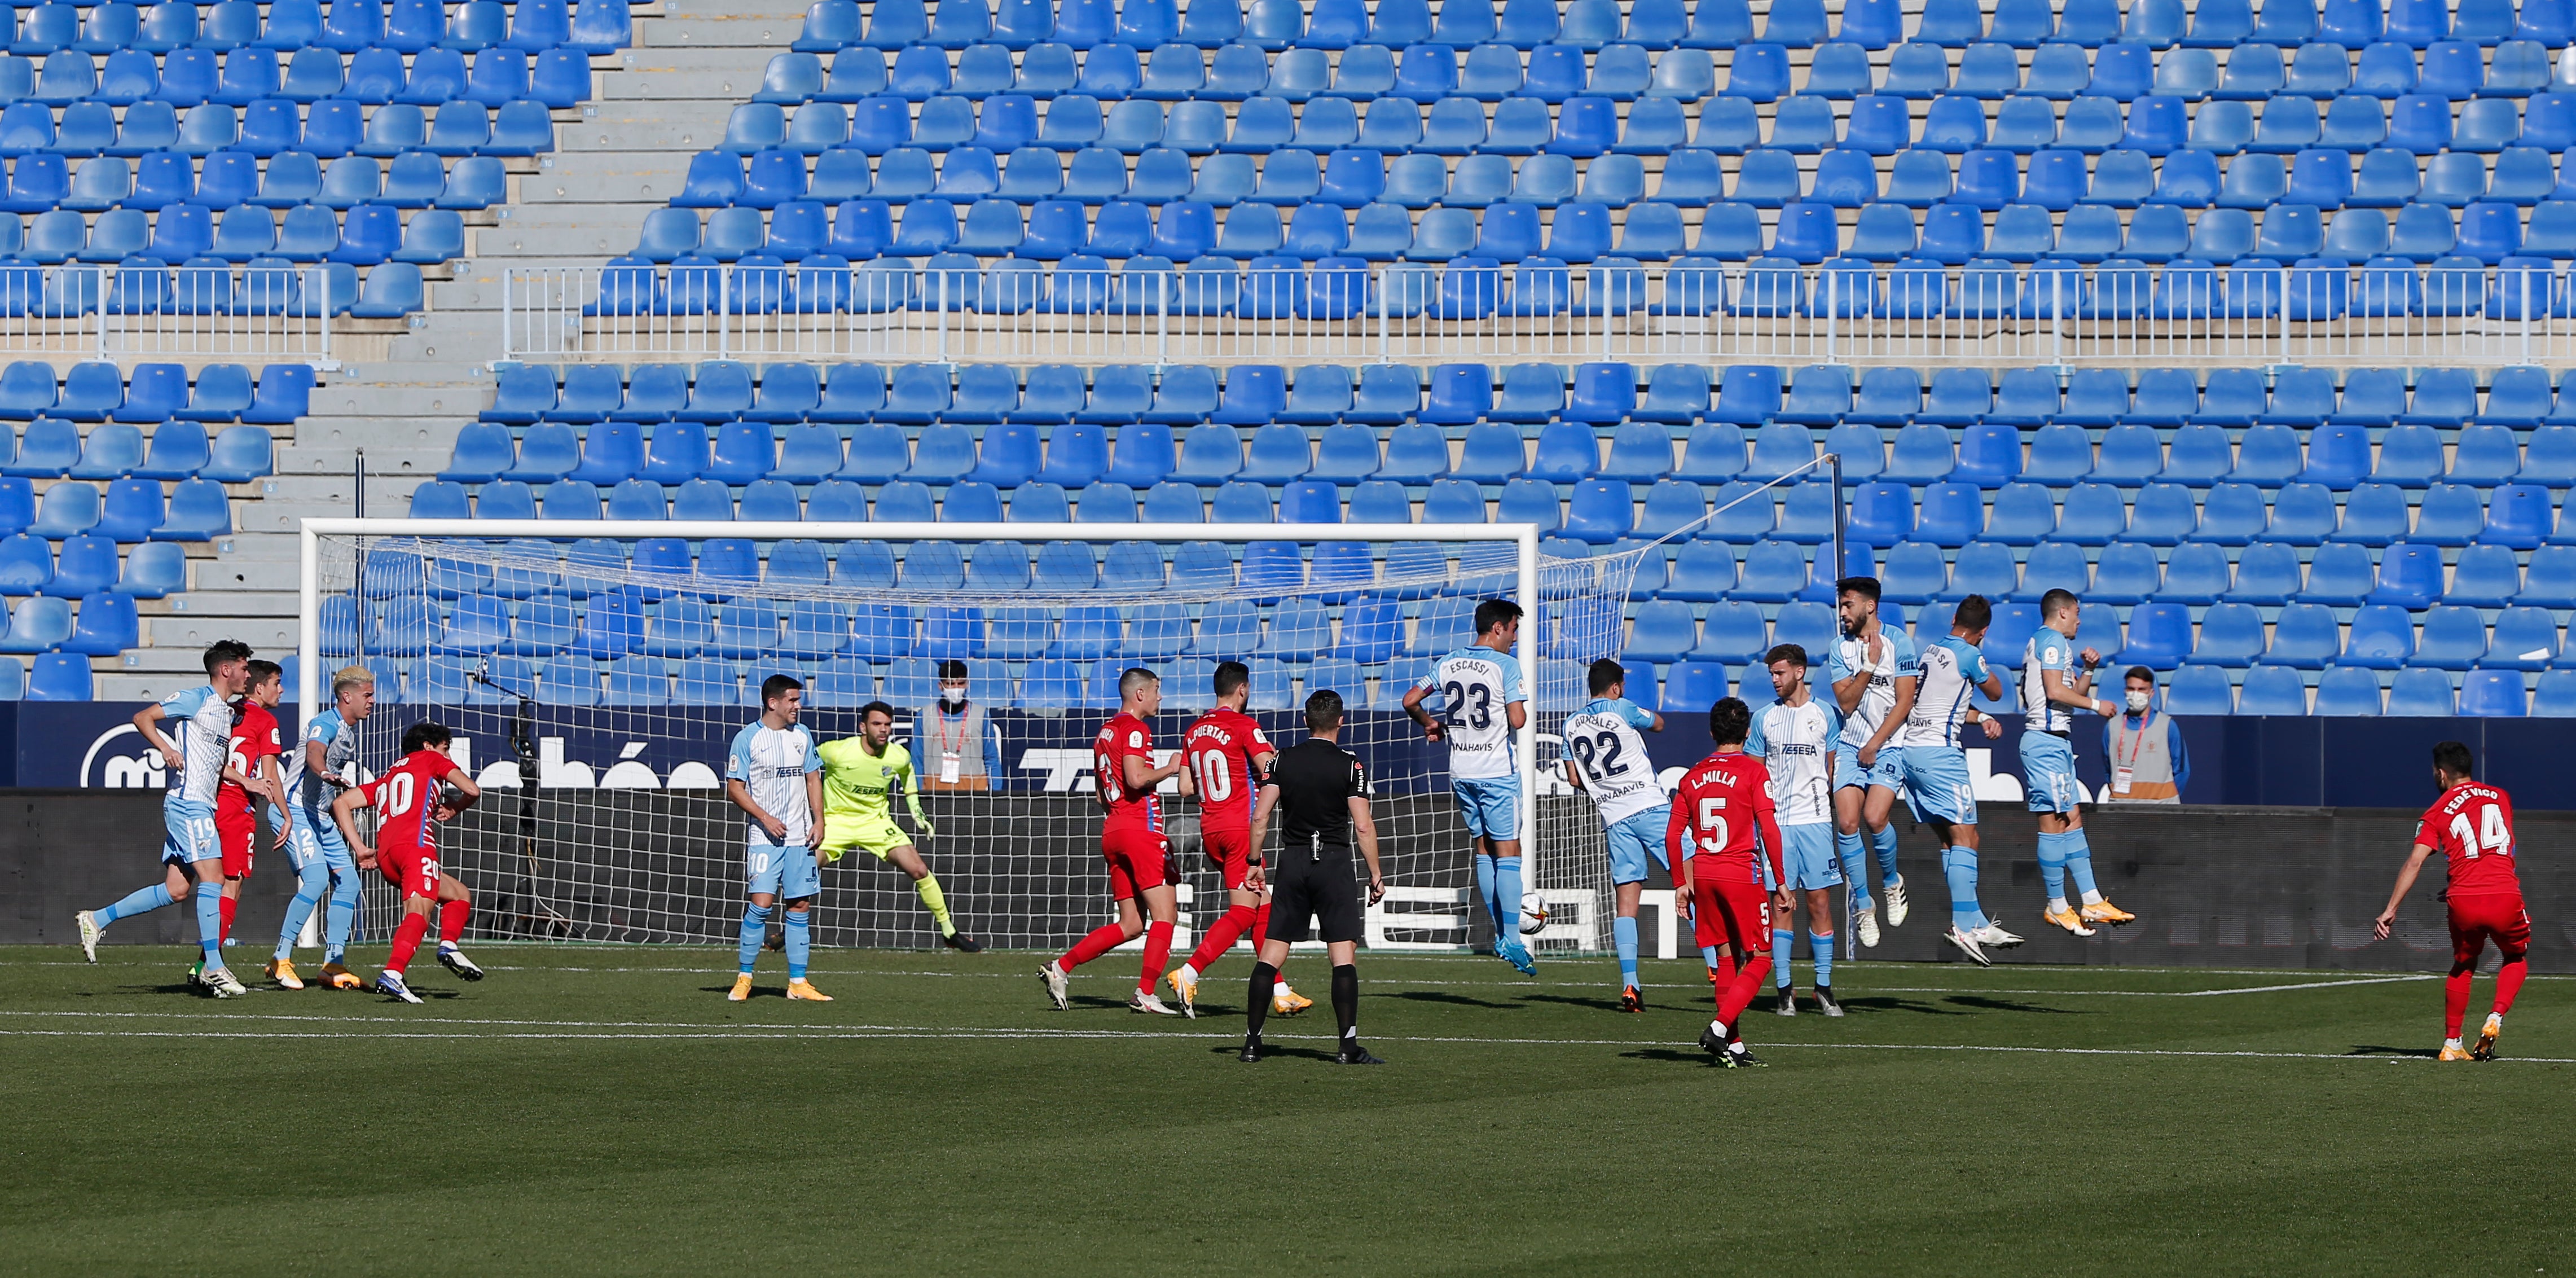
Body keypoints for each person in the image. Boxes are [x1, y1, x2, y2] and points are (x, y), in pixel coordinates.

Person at [74, 640, 255, 996]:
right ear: (225, 669)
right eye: (244, 667)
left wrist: (248, 782)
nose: (248, 674)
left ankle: (96, 920)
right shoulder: (197, 698)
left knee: (177, 889)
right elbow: (143, 718)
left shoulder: (224, 711)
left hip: (198, 804)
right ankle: (215, 968)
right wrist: (166, 748)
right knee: (215, 877)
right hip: (189, 804)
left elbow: (214, 764)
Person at [1238, 689, 1386, 1065]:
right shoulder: (1351, 765)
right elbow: (1364, 826)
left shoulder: (1280, 760)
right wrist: (1376, 874)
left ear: (1305, 721)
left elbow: (1261, 816)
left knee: (1272, 952)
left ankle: (1253, 1043)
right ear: (1341, 721)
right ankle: (1347, 1046)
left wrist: (1254, 859)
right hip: (1334, 863)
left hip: (1294, 861)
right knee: (1342, 956)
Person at [1040, 667, 1192, 1015]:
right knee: (1166, 915)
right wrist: (1170, 768)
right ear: (1140, 694)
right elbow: (1137, 778)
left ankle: (1061, 968)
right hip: (1141, 829)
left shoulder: (1105, 732)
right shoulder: (1135, 729)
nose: (1160, 697)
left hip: (1113, 829)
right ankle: (1146, 994)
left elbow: (1100, 795)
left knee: (1132, 924)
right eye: (1156, 690)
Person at [1168, 660, 1314, 1020]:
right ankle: (1188, 973)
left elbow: (1186, 788)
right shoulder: (1245, 725)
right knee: (1245, 910)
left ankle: (1281, 990)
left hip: (1210, 828)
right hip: (1239, 830)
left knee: (1263, 903)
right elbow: (1271, 767)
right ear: (1243, 690)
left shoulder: (1194, 731)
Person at [1402, 598, 1535, 975]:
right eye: (1513, 629)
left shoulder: (1449, 662)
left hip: (1461, 771)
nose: (1514, 637)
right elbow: (1518, 719)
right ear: (1498, 628)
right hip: (1496, 771)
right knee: (1509, 851)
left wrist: (1430, 723)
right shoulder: (1506, 664)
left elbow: (1410, 699)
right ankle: (1511, 937)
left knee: (1483, 847)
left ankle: (1500, 931)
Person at [2374, 741, 2529, 1062]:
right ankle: (2496, 1017)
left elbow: (2415, 862)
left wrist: (2390, 909)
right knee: (2516, 956)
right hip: (2504, 892)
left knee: (2463, 965)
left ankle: (2452, 1043)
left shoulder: (2436, 811)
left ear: (2441, 773)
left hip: (2463, 898)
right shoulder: (2501, 796)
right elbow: (2504, 845)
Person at [1897, 594, 2020, 965]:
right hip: (1941, 756)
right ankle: (1964, 925)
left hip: (1913, 752)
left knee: (1955, 840)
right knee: (1968, 836)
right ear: (1983, 631)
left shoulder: (1930, 652)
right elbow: (1998, 691)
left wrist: (1980, 718)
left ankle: (1976, 921)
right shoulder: (1969, 654)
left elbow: (1940, 704)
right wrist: (1981, 661)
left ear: (1953, 618)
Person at [1668, 697, 1790, 1068]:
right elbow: (1768, 827)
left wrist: (1680, 883)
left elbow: (1674, 835)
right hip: (1741, 874)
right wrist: (1781, 881)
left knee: (1726, 957)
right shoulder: (1754, 772)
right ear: (1748, 732)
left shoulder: (1692, 776)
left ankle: (1733, 1045)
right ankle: (1719, 1028)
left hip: (1704, 874)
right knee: (1761, 958)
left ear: (1711, 732)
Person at [331, 720, 485, 1004]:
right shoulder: (431, 760)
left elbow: (341, 804)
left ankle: (449, 946)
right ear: (429, 747)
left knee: (459, 894)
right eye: (445, 749)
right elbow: (473, 790)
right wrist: (454, 807)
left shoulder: (389, 775)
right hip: (416, 848)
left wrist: (361, 848)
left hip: (387, 856)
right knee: (419, 911)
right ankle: (393, 972)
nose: (448, 757)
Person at [814, 700, 982, 952]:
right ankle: (790, 929)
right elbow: (806, 766)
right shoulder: (836, 751)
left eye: (888, 725)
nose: (883, 730)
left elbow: (908, 776)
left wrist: (916, 811)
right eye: (877, 724)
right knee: (807, 868)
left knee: (919, 869)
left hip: (877, 823)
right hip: (837, 822)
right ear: (863, 727)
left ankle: (949, 931)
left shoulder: (898, 756)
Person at [2020, 591, 2138, 937]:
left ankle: (2090, 899)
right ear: (2062, 613)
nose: (2079, 620)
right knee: (2054, 821)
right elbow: (2056, 692)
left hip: (2055, 741)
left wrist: (2088, 672)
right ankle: (2057, 905)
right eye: (2076, 613)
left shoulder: (2045, 642)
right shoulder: (2053, 641)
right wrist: (2096, 704)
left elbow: (2065, 692)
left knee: (2071, 817)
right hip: (2044, 740)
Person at [1560, 658, 1668, 1012]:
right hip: (1650, 807)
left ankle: (1630, 984)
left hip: (1614, 817)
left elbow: (1575, 780)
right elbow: (1658, 723)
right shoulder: (1622, 707)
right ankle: (1717, 966)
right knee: (1693, 877)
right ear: (1617, 687)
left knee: (1626, 906)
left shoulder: (1571, 724)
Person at [1747, 644, 1844, 1017]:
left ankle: (1823, 987)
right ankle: (1785, 989)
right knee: (1782, 903)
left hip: (1816, 821)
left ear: (1800, 672)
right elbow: (1754, 775)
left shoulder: (1824, 716)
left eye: (1780, 673)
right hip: (1777, 825)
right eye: (1772, 674)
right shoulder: (1763, 718)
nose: (1775, 680)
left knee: (1820, 902)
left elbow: (1832, 768)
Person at [723, 675, 831, 1002]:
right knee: (761, 905)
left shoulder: (803, 736)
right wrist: (765, 818)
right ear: (774, 703)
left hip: (800, 838)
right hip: (764, 838)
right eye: (793, 700)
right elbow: (734, 788)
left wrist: (820, 820)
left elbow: (813, 779)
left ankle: (798, 983)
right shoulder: (747, 739)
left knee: (800, 905)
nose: (799, 706)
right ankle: (745, 977)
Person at [270, 664, 376, 990]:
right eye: (367, 695)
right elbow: (316, 752)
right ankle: (280, 957)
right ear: (347, 696)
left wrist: (359, 848)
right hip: (294, 810)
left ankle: (333, 964)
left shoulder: (349, 733)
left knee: (349, 884)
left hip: (319, 815)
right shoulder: (325, 723)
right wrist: (324, 772)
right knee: (316, 880)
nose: (372, 701)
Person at [1828, 577, 1915, 948]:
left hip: (1890, 744)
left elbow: (1905, 701)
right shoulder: (1839, 648)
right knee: (1847, 822)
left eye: (1848, 605)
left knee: (1875, 817)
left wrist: (1876, 743)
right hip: (1850, 745)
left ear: (1870, 606)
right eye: (1841, 606)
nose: (1843, 613)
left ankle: (1893, 881)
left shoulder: (1901, 641)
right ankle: (1864, 905)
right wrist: (1869, 664)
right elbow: (1846, 704)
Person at [213, 658, 292, 963]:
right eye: (276, 684)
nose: (281, 690)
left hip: (207, 799)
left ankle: (102, 918)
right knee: (232, 884)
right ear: (259, 688)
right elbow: (270, 777)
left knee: (184, 886)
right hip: (236, 803)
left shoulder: (223, 710)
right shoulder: (265, 722)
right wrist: (286, 815)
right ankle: (208, 964)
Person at [2099, 667, 2190, 806]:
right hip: (2121, 808)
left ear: (2151, 693)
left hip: (2162, 807)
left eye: (2142, 689)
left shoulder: (2167, 725)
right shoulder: (2112, 726)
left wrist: (2167, 801)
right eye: (2131, 689)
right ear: (2125, 691)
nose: (2136, 694)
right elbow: (2108, 769)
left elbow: (2182, 770)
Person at [917, 658, 1005, 793]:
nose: (956, 688)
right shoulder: (924, 716)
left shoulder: (981, 715)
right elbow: (917, 759)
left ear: (967, 684)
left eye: (961, 683)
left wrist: (996, 794)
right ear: (941, 686)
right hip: (934, 795)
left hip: (975, 795)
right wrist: (917, 793)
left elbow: (991, 757)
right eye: (950, 684)